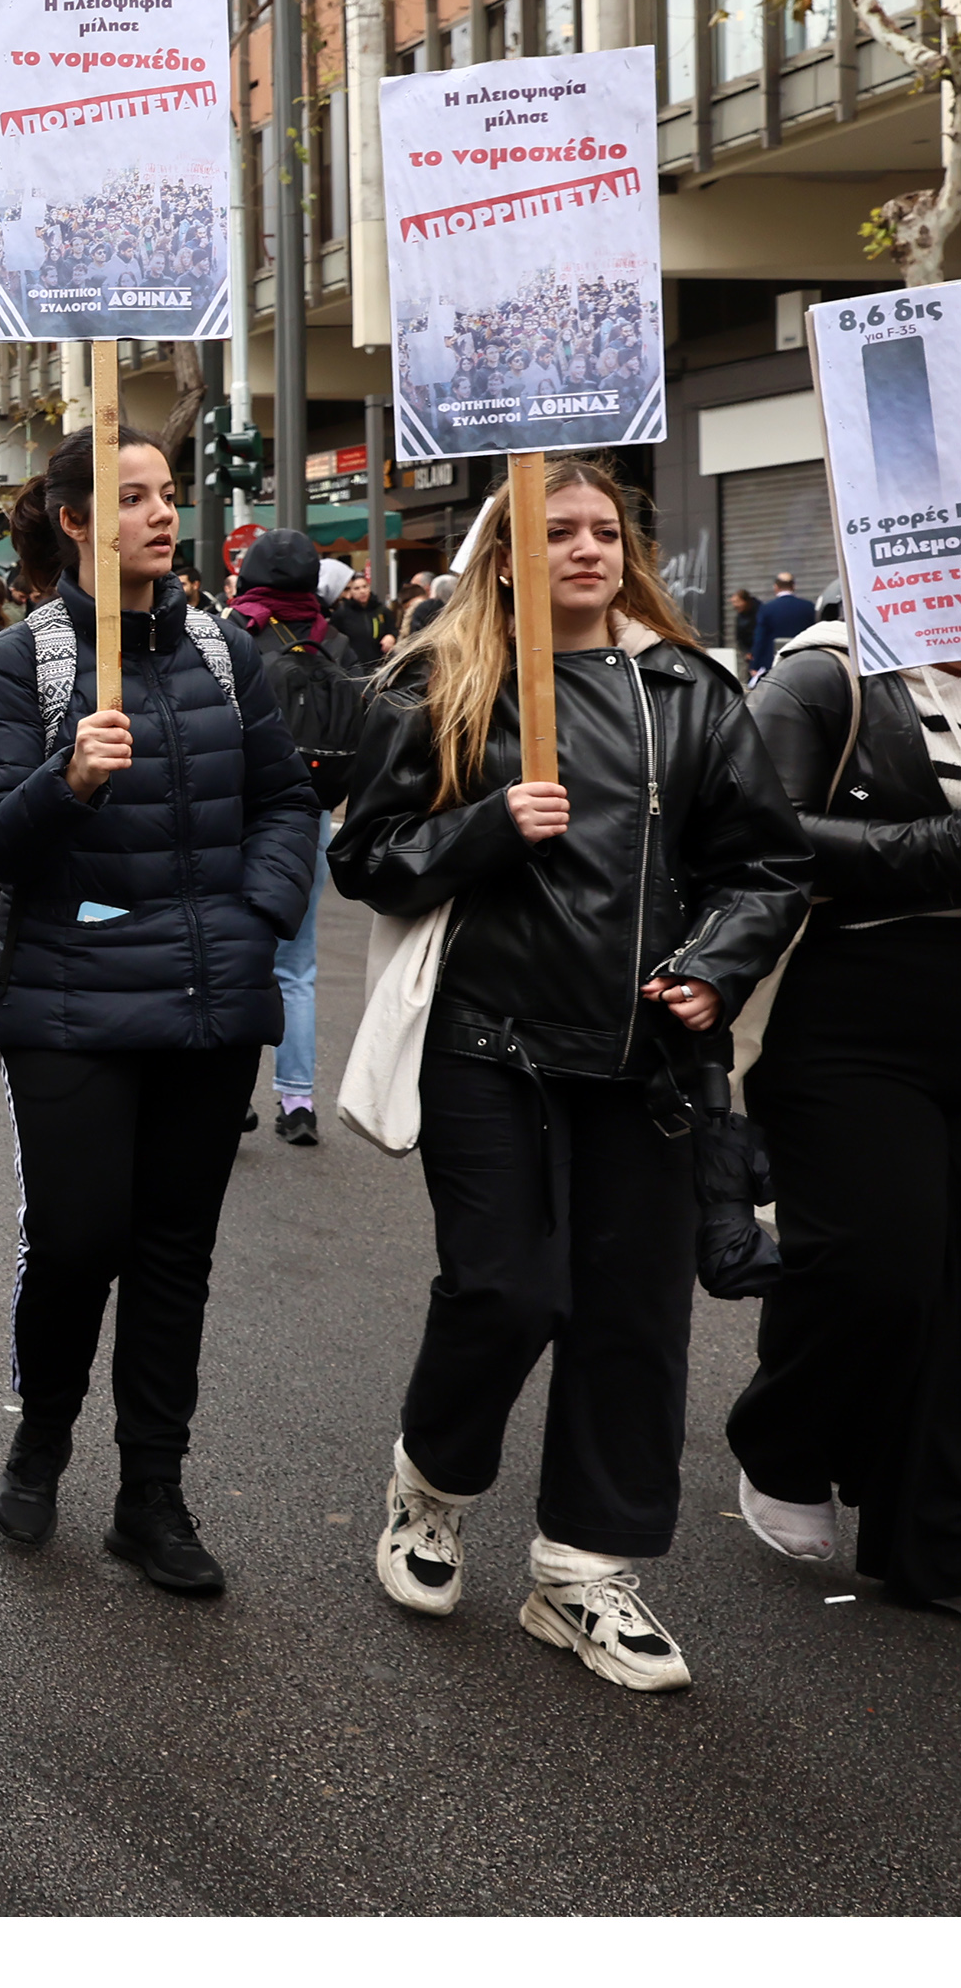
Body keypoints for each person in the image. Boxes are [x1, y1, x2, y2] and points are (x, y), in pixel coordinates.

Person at [335, 462, 806, 1689]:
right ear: (507, 556)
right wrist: (491, 825)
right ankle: (430, 1487)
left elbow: (765, 867)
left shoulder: (692, 691)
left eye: (606, 530)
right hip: (491, 1047)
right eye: (560, 532)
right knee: (506, 1291)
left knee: (632, 1321)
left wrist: (716, 970)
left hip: (645, 1059)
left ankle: (585, 1574)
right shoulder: (443, 682)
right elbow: (367, 858)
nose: (588, 548)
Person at [0, 426, 317, 1597]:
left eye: (169, 495)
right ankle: (42, 1436)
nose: (163, 515)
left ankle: (151, 1494)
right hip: (69, 1000)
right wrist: (67, 781)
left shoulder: (225, 652)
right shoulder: (25, 663)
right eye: (132, 498)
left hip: (208, 1007)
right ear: (73, 520)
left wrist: (254, 919)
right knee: (76, 1241)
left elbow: (283, 805)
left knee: (174, 1259)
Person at [736, 606, 961, 1611]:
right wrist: (940, 848)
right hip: (853, 1019)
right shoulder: (829, 675)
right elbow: (759, 832)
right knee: (882, 1267)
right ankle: (786, 1436)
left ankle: (934, 1540)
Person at [225, 529, 357, 1147]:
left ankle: (233, 1096)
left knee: (230, 960)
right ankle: (298, 1102)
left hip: (234, 816)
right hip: (311, 818)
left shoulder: (233, 635)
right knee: (296, 967)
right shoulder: (336, 641)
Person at [751, 569, 815, 678]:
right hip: (803, 660)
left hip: (774, 662)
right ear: (793, 586)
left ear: (775, 587)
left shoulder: (767, 609)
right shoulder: (808, 607)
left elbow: (760, 639)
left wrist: (755, 665)